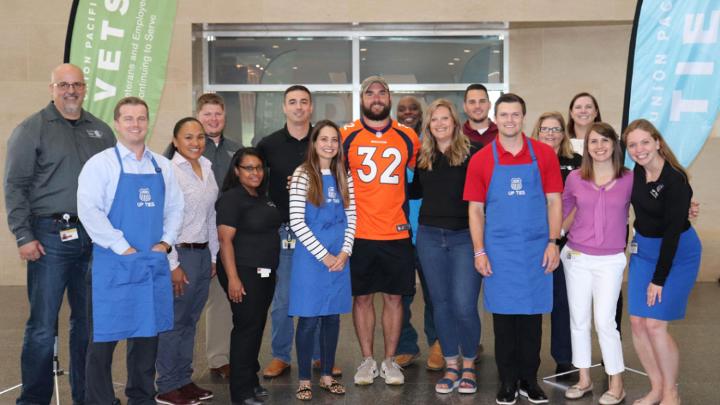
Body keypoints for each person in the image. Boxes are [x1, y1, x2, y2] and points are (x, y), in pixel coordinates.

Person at [3, 63, 115, 405]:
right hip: (48, 236)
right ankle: (33, 400)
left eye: (77, 85)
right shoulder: (31, 129)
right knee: (42, 326)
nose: (71, 91)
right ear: (52, 88)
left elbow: (113, 184)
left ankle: (88, 397)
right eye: (63, 85)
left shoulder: (101, 130)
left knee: (89, 326)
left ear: (85, 88)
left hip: (93, 239)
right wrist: (23, 235)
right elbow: (15, 186)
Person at [78, 97, 185, 404]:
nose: (135, 124)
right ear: (117, 123)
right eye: (128, 119)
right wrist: (122, 247)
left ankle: (141, 397)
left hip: (151, 264)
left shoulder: (162, 166)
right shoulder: (100, 165)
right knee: (102, 343)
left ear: (147, 122)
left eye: (141, 118)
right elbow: (89, 211)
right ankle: (100, 400)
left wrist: (165, 243)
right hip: (113, 266)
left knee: (146, 339)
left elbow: (176, 208)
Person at [464, 93, 562, 405]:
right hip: (499, 251)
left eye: (515, 114)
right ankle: (507, 381)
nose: (510, 120)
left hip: (536, 250)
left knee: (533, 319)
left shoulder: (544, 155)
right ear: (497, 118)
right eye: (504, 115)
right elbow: (476, 210)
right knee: (504, 319)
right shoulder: (481, 159)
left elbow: (554, 201)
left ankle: (529, 380)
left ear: (523, 117)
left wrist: (553, 242)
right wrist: (479, 251)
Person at [342, 75, 420, 386]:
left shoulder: (408, 137)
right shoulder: (345, 135)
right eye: (370, 93)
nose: (376, 98)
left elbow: (415, 179)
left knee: (394, 299)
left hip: (396, 233)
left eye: (382, 93)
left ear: (389, 99)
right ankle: (367, 360)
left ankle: (389, 360)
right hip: (359, 233)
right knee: (361, 299)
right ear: (362, 99)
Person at [257, 85, 337, 378]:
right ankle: (281, 355)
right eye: (293, 102)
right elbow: (256, 185)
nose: (299, 107)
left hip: (322, 231)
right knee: (284, 297)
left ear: (311, 107)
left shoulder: (324, 140)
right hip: (285, 230)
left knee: (320, 293)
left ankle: (319, 356)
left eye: (304, 102)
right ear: (284, 107)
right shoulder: (268, 145)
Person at [623, 119, 701, 405]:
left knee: (655, 324)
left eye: (644, 142)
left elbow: (671, 235)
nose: (639, 149)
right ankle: (656, 387)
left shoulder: (675, 180)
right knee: (637, 322)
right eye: (632, 145)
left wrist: (659, 279)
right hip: (644, 251)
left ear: (657, 142)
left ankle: (671, 392)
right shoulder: (634, 175)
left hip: (677, 254)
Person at [164, 93, 240, 379]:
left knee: (210, 305)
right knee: (180, 315)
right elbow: (167, 213)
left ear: (224, 117)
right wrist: (172, 259)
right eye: (207, 114)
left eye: (218, 114)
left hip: (219, 240)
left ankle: (214, 361)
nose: (213, 119)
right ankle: (172, 379)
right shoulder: (177, 160)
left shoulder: (234, 151)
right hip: (183, 246)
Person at [410, 99, 482, 394]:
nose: (440, 124)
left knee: (464, 305)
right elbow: (413, 191)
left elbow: (484, 198)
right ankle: (451, 365)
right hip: (429, 237)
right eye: (434, 120)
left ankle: (469, 365)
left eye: (445, 118)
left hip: (464, 236)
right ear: (428, 125)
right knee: (439, 304)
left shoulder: (473, 153)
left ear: (455, 121)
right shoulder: (423, 156)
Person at [560, 123, 631, 404]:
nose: (599, 146)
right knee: (579, 320)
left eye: (604, 140)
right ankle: (585, 379)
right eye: (593, 142)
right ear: (585, 147)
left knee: (605, 321)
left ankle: (617, 383)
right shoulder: (575, 178)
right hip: (576, 258)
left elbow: (653, 207)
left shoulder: (629, 178)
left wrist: (686, 206)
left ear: (614, 144)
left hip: (610, 260)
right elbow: (562, 213)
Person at [288, 120, 357, 400]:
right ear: (314, 143)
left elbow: (352, 216)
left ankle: (327, 375)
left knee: (331, 318)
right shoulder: (303, 174)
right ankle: (305, 378)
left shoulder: (344, 174)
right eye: (323, 139)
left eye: (334, 140)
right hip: (312, 259)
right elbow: (297, 221)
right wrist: (325, 255)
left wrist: (344, 252)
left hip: (339, 257)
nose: (329, 144)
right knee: (308, 319)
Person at [155, 117, 219, 404]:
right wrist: (172, 264)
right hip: (179, 254)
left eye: (200, 137)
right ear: (175, 141)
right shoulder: (168, 171)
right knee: (174, 321)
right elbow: (163, 220)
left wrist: (214, 256)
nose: (196, 143)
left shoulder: (206, 167)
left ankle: (183, 379)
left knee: (190, 321)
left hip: (203, 254)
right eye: (189, 137)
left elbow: (211, 216)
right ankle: (167, 385)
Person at [216, 148, 281, 405]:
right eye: (249, 168)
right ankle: (240, 393)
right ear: (237, 171)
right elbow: (225, 240)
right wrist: (233, 278)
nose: (255, 172)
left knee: (255, 328)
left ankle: (251, 382)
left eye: (259, 167)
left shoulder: (262, 197)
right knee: (246, 329)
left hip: (264, 273)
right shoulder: (232, 199)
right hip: (243, 273)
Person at [530, 111, 581, 379]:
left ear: (564, 133)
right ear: (537, 131)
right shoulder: (527, 159)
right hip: (532, 240)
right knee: (533, 302)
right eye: (545, 129)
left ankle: (564, 359)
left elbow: (582, 201)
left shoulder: (576, 162)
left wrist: (560, 231)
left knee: (563, 301)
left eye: (556, 129)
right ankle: (529, 361)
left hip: (566, 241)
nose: (550, 133)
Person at [393, 95, 440, 370]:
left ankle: (438, 343)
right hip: (398, 231)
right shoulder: (392, 143)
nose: (408, 112)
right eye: (403, 109)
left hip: (428, 231)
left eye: (413, 109)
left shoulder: (431, 145)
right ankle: (405, 347)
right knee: (400, 295)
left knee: (435, 293)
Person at [462, 83, 498, 148]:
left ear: (489, 105)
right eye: (472, 102)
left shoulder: (501, 134)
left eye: (482, 101)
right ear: (464, 107)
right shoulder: (457, 135)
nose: (477, 106)